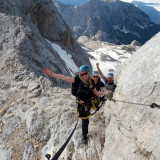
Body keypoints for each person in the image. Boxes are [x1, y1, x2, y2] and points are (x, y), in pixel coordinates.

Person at [44, 65, 111, 144]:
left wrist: (105, 93)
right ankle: (84, 136)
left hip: (88, 102)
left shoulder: (91, 81)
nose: (84, 76)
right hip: (81, 104)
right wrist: (52, 74)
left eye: (85, 74)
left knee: (87, 117)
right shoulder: (77, 80)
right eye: (82, 74)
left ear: (88, 73)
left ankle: (84, 134)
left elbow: (95, 92)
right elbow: (65, 77)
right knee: (85, 120)